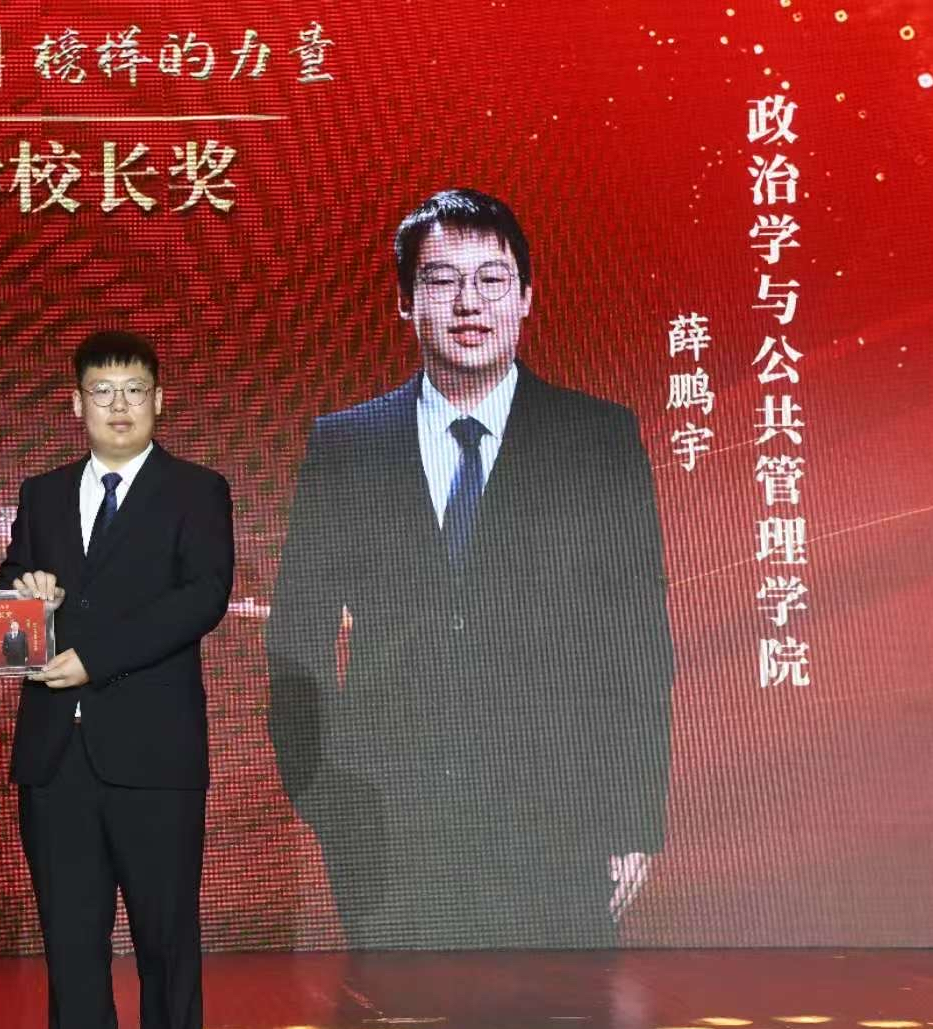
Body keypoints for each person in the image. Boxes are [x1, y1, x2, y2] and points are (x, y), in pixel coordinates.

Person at [264, 189, 674, 950]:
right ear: (405, 301)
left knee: (560, 1026)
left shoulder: (597, 439)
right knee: (401, 1028)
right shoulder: (348, 445)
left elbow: (636, 639)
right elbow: (297, 631)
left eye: (491, 280)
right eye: (442, 280)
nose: (468, 303)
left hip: (560, 824)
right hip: (388, 830)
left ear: (526, 298)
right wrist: (322, 792)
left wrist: (631, 818)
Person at [0, 330, 234, 1029]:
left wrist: (95, 658)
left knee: (166, 938)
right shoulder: (42, 494)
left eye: (134, 390)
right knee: (71, 938)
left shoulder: (197, 490)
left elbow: (202, 597)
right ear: (77, 404)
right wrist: (23, 589)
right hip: (56, 760)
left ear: (160, 400)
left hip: (155, 757)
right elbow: (10, 593)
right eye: (103, 391)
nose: (120, 406)